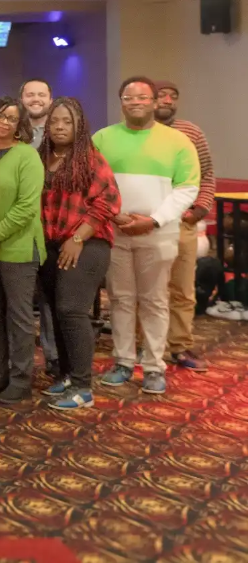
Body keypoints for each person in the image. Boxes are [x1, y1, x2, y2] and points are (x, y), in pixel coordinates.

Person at [94, 77, 199, 395]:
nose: (136, 101)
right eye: (129, 97)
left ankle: (154, 367)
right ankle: (124, 361)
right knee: (121, 300)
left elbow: (187, 188)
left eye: (143, 97)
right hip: (115, 231)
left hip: (159, 232)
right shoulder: (102, 138)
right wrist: (113, 215)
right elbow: (92, 183)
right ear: (121, 102)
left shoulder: (178, 141)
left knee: (155, 301)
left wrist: (153, 220)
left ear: (155, 102)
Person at [38, 98, 120, 410]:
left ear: (79, 126)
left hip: (87, 243)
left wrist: (77, 237)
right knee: (57, 310)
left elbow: (108, 202)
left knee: (72, 309)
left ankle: (83, 387)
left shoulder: (90, 159)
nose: (59, 126)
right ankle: (68, 375)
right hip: (50, 244)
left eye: (67, 121)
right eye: (54, 121)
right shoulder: (41, 156)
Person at [0, 97, 46, 404]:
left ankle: (21, 378)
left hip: (18, 246)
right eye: (0, 115)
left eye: (12, 119)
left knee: (18, 316)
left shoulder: (26, 156)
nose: (4, 122)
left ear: (21, 125)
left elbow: (28, 206)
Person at [154, 79, 214, 373]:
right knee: (149, 289)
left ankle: (179, 346)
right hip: (147, 224)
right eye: (161, 95)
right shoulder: (137, 133)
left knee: (182, 289)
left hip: (183, 223)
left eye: (172, 96)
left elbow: (208, 174)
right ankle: (147, 346)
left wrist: (198, 209)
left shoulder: (191, 132)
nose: (167, 100)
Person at [17, 77, 59, 376]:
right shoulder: (12, 132)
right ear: (22, 99)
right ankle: (19, 361)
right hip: (19, 229)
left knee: (52, 297)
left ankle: (54, 356)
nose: (35, 99)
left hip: (54, 227)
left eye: (41, 94)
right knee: (19, 300)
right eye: (30, 94)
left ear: (50, 98)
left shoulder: (61, 133)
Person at [20, 79, 53, 148]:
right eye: (30, 95)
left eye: (42, 95)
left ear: (50, 101)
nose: (36, 99)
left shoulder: (57, 130)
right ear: (21, 100)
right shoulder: (12, 130)